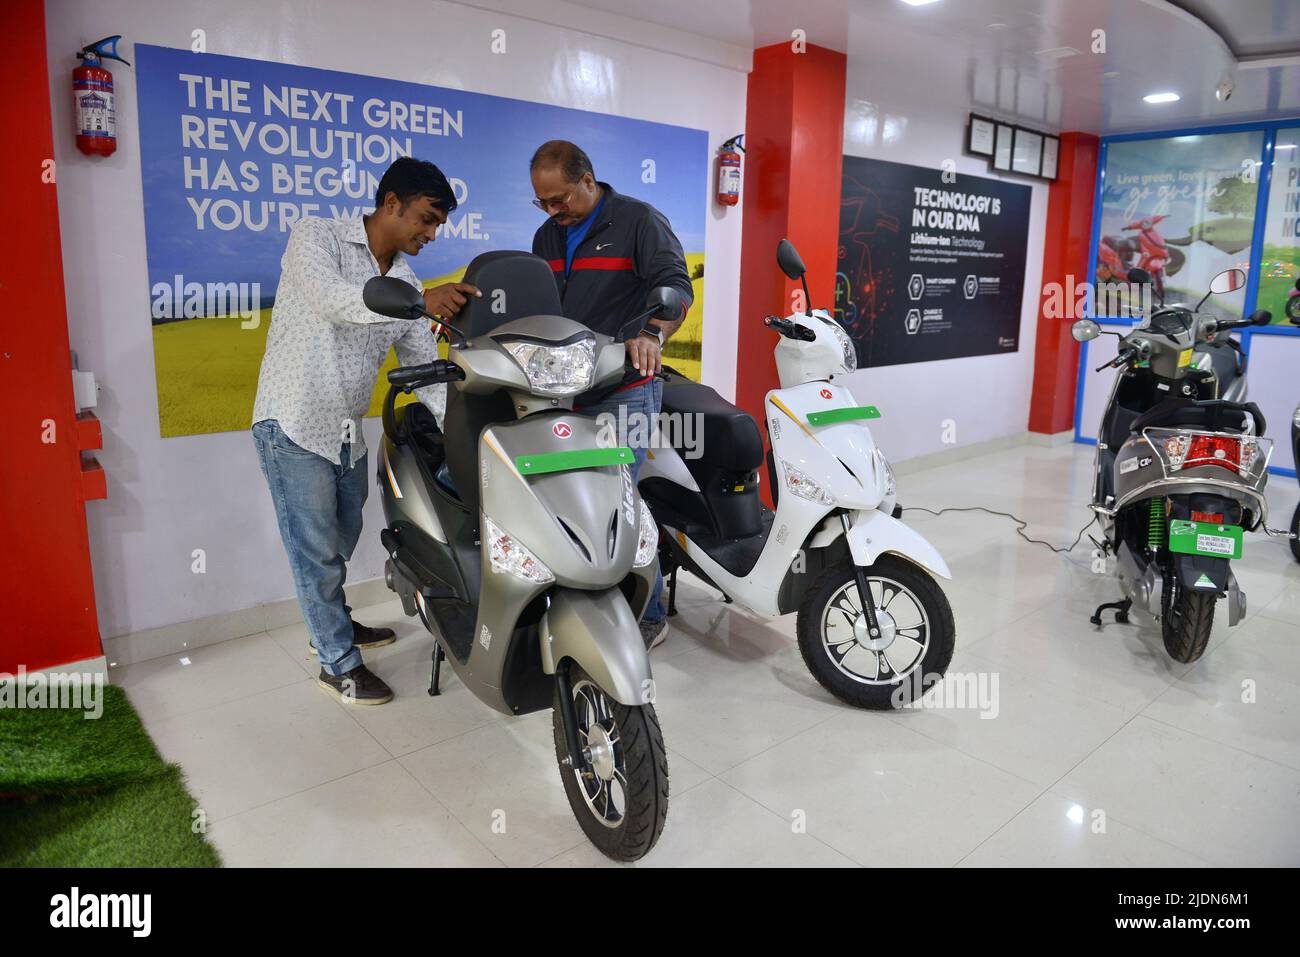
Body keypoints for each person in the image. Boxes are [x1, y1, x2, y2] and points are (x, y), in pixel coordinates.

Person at [251, 157, 480, 705]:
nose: (430, 234)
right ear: (392, 203)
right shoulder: (318, 236)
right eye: (426, 219)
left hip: (347, 431)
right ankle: (336, 661)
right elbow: (333, 302)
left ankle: (332, 622)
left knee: (341, 540)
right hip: (293, 424)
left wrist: (467, 437)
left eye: (439, 226)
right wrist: (416, 305)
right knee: (315, 552)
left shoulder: (404, 279)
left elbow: (424, 367)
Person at [529, 140, 693, 650]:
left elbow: (675, 285)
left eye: (560, 199)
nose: (554, 211)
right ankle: (587, 601)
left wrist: (653, 334)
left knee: (623, 501)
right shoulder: (546, 236)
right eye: (543, 202)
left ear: (588, 180)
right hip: (562, 393)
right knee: (570, 502)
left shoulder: (638, 222)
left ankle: (649, 613)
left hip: (624, 389)